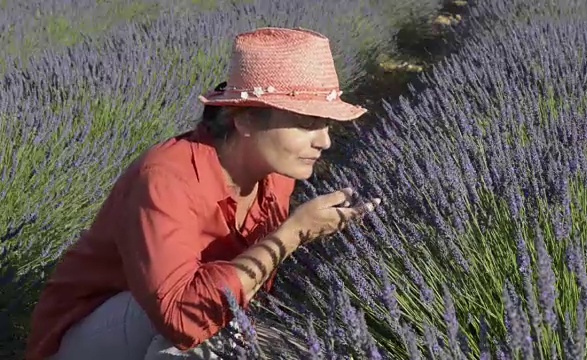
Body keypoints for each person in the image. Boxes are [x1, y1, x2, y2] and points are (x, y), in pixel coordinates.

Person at [25, 27, 381, 360]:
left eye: (327, 124)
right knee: (211, 337)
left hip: (179, 318)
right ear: (244, 120)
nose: (325, 141)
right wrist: (290, 235)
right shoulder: (167, 178)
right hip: (94, 334)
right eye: (306, 124)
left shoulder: (277, 174)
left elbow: (246, 294)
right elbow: (182, 316)